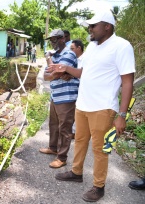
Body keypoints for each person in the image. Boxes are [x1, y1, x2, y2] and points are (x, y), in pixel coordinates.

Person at [50, 10, 135, 202]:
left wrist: (122, 114)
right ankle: (76, 172)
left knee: (100, 149)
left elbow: (128, 81)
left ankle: (99, 186)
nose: (89, 28)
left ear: (107, 26)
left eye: (93, 25)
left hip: (103, 107)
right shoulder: (92, 46)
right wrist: (66, 69)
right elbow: (83, 73)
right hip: (83, 105)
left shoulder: (121, 46)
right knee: (79, 141)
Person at [39, 29, 79, 169]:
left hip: (67, 96)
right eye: (51, 40)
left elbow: (54, 73)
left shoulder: (68, 53)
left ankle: (62, 158)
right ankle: (53, 147)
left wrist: (55, 69)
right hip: (55, 95)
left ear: (62, 39)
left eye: (55, 39)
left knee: (65, 129)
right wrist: (58, 73)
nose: (52, 42)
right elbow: (46, 75)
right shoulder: (56, 55)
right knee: (54, 125)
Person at [69, 39, 84, 139]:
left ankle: (76, 133)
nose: (71, 51)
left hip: (82, 91)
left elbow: (80, 74)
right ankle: (73, 132)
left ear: (79, 48)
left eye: (72, 49)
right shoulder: (75, 59)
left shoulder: (84, 60)